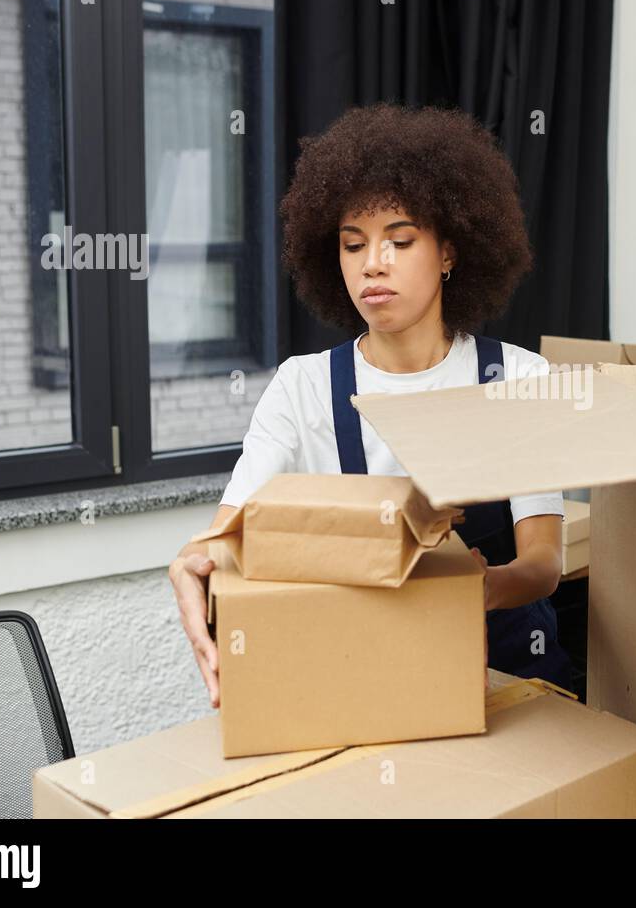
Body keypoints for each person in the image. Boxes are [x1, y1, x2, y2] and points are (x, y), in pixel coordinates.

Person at [169, 102, 572, 707]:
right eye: (353, 245)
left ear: (449, 253)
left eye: (400, 240)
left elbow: (544, 564)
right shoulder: (301, 387)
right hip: (371, 676)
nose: (373, 264)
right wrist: (194, 559)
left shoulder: (517, 377)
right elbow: (230, 533)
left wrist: (477, 587)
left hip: (511, 680)